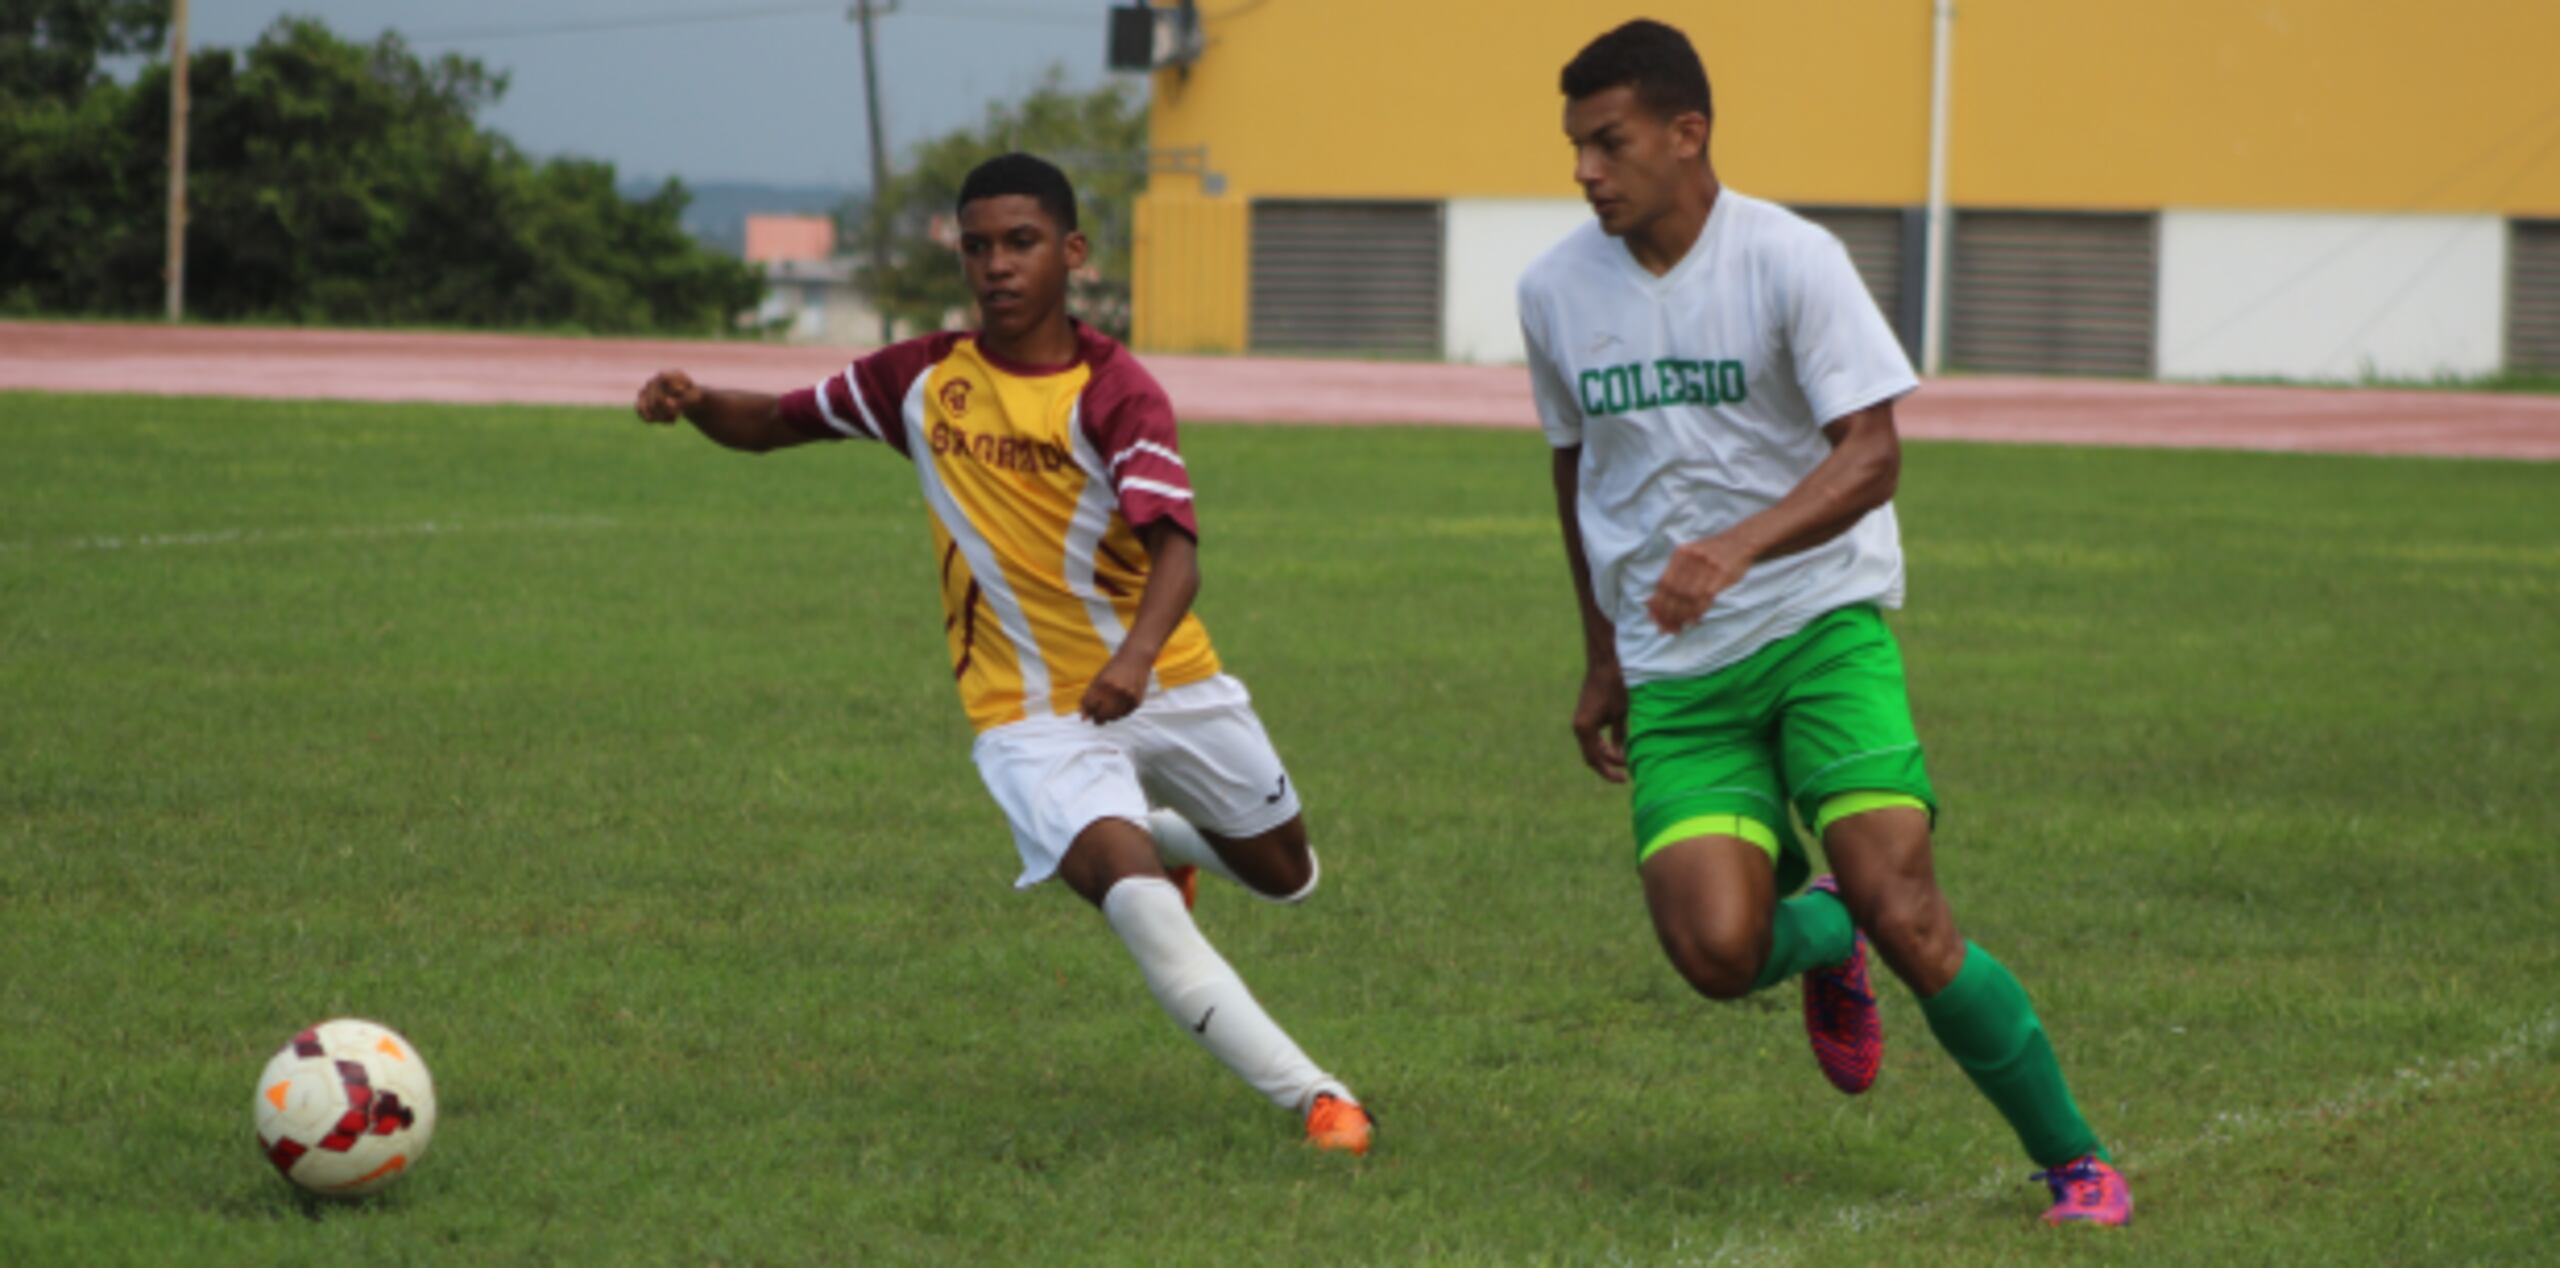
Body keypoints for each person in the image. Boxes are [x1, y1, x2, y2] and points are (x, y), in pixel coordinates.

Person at [633, 153, 1373, 1155]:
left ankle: (1171, 831)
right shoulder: (921, 378)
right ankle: (1319, 1098)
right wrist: (697, 399)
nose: (996, 265)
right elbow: (773, 422)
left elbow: (1179, 552)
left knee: (1290, 875)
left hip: (1168, 679)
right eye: (977, 246)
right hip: (1027, 716)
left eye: (1020, 242)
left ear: (1071, 253)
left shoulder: (1116, 392)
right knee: (1139, 906)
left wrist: (1135, 659)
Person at [1518, 20, 2129, 1225]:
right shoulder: (1552, 288)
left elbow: (1873, 453)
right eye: (1575, 147)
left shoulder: (1789, 258)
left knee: (1909, 910)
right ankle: (1822, 939)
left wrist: (1737, 546)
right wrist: (1599, 653)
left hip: (1817, 625)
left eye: (1609, 141)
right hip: (1674, 667)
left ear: (1686, 133)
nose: (1586, 170)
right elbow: (1574, 469)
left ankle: (2074, 1159)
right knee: (1715, 954)